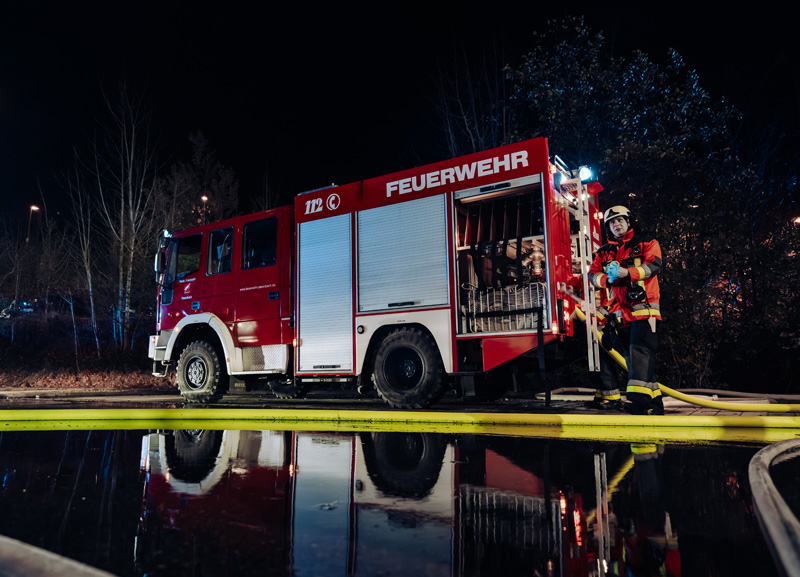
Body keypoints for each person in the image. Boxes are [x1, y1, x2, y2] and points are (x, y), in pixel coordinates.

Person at [589, 206, 664, 415]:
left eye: (620, 220)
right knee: (635, 361)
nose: (616, 224)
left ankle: (638, 402)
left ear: (629, 222)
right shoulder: (603, 252)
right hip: (619, 317)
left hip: (644, 312)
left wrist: (626, 273)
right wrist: (606, 279)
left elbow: (654, 266)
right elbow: (592, 275)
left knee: (639, 355)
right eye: (612, 222)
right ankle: (654, 405)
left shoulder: (647, 242)